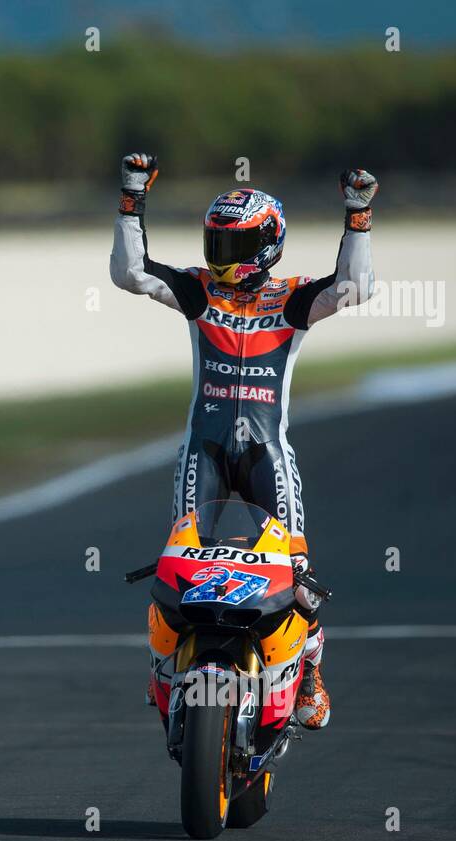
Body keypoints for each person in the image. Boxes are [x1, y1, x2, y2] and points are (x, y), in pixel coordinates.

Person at [110, 154, 379, 730]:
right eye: (215, 244)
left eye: (232, 247)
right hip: (202, 453)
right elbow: (131, 275)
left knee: (298, 574)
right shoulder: (199, 292)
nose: (219, 259)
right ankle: (164, 670)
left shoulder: (291, 298)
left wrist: (358, 217)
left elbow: (355, 287)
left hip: (266, 457)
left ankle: (309, 673)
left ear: (267, 244)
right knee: (176, 568)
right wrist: (133, 199)